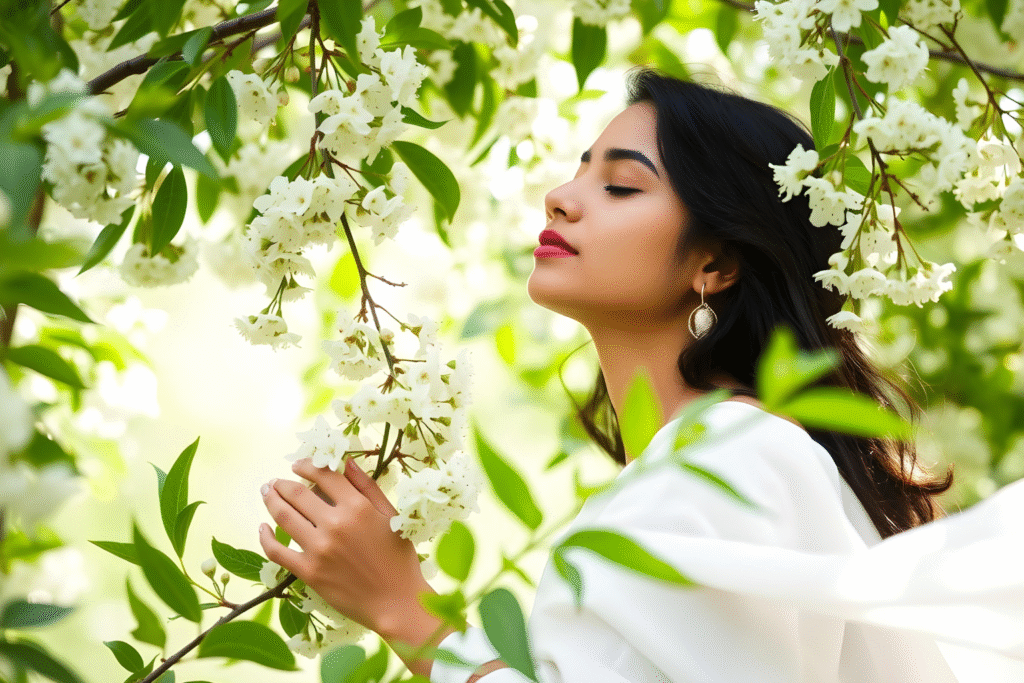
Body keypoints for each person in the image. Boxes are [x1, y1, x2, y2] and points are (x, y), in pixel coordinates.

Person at [258, 69, 1024, 682]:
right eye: (580, 171)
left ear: (717, 263)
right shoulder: (708, 458)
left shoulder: (735, 452)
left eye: (621, 185)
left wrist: (405, 608)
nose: (561, 196)